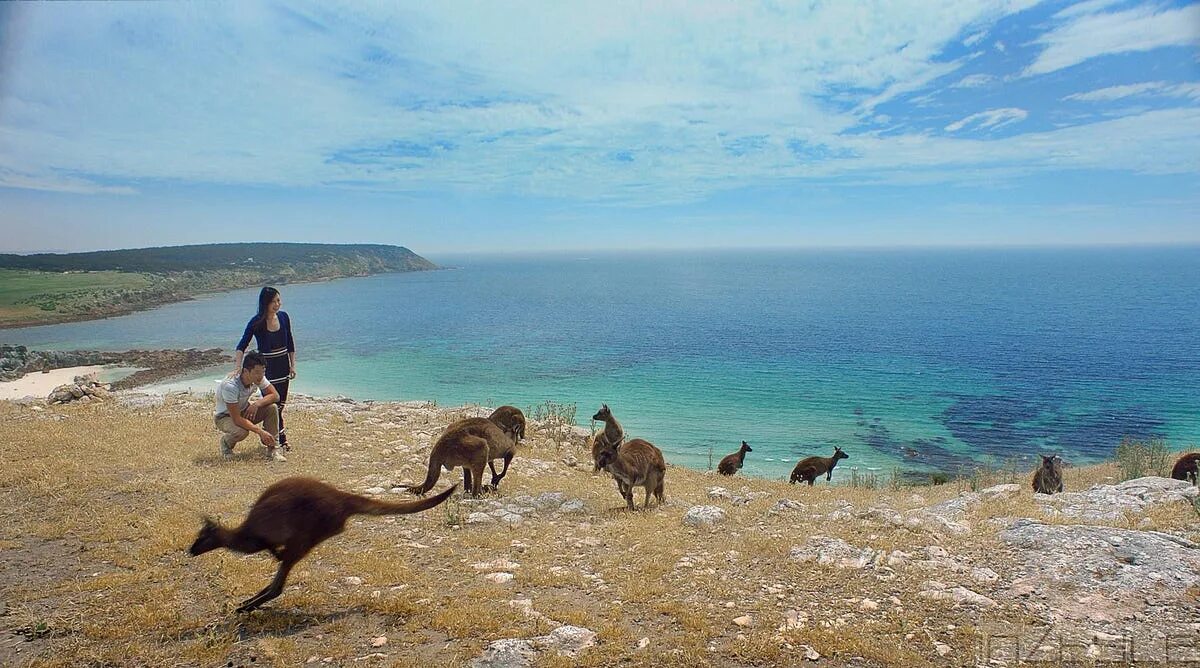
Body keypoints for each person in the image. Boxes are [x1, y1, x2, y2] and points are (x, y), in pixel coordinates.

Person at [232, 287, 297, 450]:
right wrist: (238, 367)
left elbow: (290, 342)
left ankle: (272, 438)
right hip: (267, 370)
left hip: (283, 366)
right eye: (274, 301)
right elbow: (241, 345)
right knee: (273, 404)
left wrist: (293, 365)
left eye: (279, 301)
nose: (277, 304)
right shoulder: (256, 322)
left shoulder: (284, 317)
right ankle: (280, 440)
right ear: (265, 303)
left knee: (281, 404)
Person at [215, 352, 284, 461]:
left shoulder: (259, 378)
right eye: (257, 372)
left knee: (272, 408)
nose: (261, 376)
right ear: (246, 371)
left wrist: (257, 404)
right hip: (224, 417)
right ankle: (226, 444)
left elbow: (275, 396)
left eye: (263, 371)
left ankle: (273, 449)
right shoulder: (230, 386)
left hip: (244, 411)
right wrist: (260, 432)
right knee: (241, 431)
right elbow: (237, 419)